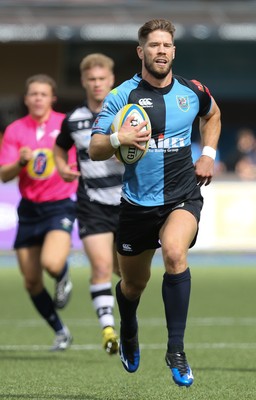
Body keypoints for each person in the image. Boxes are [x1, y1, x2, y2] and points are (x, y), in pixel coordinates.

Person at [89, 19, 221, 387]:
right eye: (154, 45)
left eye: (166, 45)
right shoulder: (120, 96)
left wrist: (208, 153)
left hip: (182, 195)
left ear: (173, 51)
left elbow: (212, 114)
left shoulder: (192, 91)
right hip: (136, 204)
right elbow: (95, 148)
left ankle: (175, 350)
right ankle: (128, 331)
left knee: (175, 253)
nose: (161, 51)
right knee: (133, 285)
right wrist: (120, 136)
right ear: (141, 52)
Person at [0, 74, 77, 351]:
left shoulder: (65, 124)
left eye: (43, 94)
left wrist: (71, 173)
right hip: (29, 209)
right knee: (31, 281)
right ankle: (60, 331)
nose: (37, 99)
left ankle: (63, 275)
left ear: (52, 98)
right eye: (33, 94)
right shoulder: (15, 131)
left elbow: (79, 159)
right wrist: (19, 162)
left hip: (60, 204)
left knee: (52, 264)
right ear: (26, 99)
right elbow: (5, 175)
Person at [53, 54, 124, 355]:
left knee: (127, 273)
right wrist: (62, 167)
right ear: (84, 82)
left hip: (128, 202)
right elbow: (59, 148)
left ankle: (125, 315)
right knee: (101, 265)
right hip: (92, 203)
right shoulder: (75, 119)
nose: (97, 84)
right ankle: (108, 329)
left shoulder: (128, 114)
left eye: (102, 79)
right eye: (91, 79)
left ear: (111, 80)